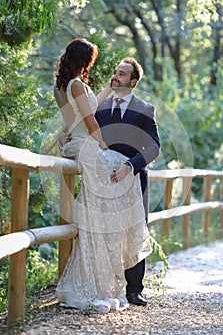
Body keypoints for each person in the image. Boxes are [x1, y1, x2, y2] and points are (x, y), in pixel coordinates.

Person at [54, 38, 154, 314]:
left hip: (79, 142)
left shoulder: (67, 84)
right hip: (86, 145)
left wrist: (106, 90)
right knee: (118, 173)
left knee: (116, 184)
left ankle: (125, 277)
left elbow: (84, 109)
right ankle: (100, 276)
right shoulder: (75, 84)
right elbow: (89, 120)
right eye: (92, 60)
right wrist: (103, 146)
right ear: (84, 59)